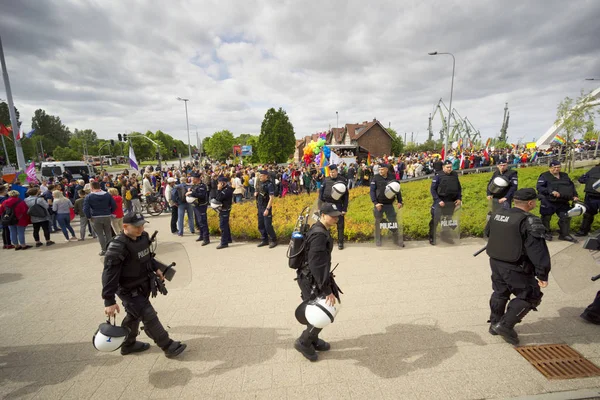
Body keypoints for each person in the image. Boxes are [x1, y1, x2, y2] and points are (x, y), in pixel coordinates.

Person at [102, 212, 187, 358]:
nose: (140, 229)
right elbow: (109, 274)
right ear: (125, 227)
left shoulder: (143, 237)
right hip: (128, 290)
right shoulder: (118, 246)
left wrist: (156, 268)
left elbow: (148, 257)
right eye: (136, 227)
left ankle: (128, 345)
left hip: (143, 285)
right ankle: (168, 346)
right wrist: (109, 301)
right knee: (149, 315)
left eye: (142, 225)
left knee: (133, 316)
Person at [485, 188, 551, 345]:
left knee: (500, 292)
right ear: (530, 203)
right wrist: (542, 273)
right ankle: (505, 326)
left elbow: (488, 233)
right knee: (531, 295)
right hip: (516, 265)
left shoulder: (498, 214)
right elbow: (537, 250)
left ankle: (495, 324)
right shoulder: (529, 220)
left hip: (496, 261)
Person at [294, 202, 341, 362]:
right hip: (311, 279)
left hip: (311, 277)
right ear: (322, 215)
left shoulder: (318, 229)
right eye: (332, 216)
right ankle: (304, 342)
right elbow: (316, 264)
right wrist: (327, 290)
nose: (335, 218)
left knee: (320, 310)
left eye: (337, 216)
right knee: (322, 311)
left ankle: (313, 339)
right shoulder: (319, 235)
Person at [536, 160, 579, 242]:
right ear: (550, 168)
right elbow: (540, 188)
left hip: (563, 201)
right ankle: (546, 233)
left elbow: (571, 187)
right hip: (549, 201)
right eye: (554, 167)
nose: (556, 169)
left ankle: (564, 234)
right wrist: (551, 192)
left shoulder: (565, 175)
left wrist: (575, 196)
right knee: (546, 217)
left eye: (558, 167)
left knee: (566, 217)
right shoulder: (544, 176)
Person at [369, 163, 404, 247]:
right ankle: (378, 240)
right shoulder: (375, 178)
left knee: (393, 222)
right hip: (379, 204)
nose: (380, 171)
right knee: (378, 222)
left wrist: (400, 201)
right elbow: (372, 191)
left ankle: (396, 240)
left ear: (386, 170)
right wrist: (375, 203)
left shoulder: (392, 177)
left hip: (389, 204)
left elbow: (397, 189)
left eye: (382, 169)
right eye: (379, 169)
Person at [428, 161, 462, 245]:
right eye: (448, 167)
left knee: (447, 220)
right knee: (435, 220)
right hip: (440, 201)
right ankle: (432, 238)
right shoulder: (438, 176)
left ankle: (445, 237)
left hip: (451, 202)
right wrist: (438, 200)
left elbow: (458, 188)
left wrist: (459, 198)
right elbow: (433, 190)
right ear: (443, 167)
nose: (450, 169)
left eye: (450, 167)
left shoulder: (454, 175)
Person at [319, 164, 349, 249]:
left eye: (333, 172)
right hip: (327, 204)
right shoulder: (326, 180)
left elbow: (346, 196)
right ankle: (326, 241)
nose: (331, 174)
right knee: (325, 224)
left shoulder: (342, 180)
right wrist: (321, 206)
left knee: (340, 224)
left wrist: (344, 208)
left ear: (336, 171)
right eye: (330, 172)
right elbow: (321, 193)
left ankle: (340, 242)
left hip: (338, 205)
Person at [84, 181, 117, 256]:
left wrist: (89, 216)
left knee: (100, 234)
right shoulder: (107, 195)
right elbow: (114, 205)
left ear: (92, 187)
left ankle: (104, 250)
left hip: (95, 216)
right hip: (106, 215)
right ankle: (110, 248)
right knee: (108, 233)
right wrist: (110, 212)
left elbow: (86, 208)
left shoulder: (89, 196)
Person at [575, 163, 600, 237]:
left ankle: (583, 231)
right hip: (590, 196)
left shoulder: (593, 169)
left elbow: (582, 179)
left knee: (588, 215)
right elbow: (581, 179)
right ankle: (583, 231)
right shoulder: (593, 170)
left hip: (591, 195)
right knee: (588, 215)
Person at [256, 169, 278, 248]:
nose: (260, 177)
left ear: (266, 176)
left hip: (266, 207)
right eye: (259, 175)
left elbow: (271, 198)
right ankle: (264, 240)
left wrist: (267, 209)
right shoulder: (261, 184)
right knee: (260, 225)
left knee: (267, 225)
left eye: (261, 176)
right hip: (260, 206)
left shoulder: (269, 185)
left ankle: (274, 240)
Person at [187, 172, 210, 245]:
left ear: (197, 179)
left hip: (201, 206)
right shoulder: (195, 186)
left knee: (203, 222)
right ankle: (201, 235)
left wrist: (191, 193)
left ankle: (206, 239)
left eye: (193, 178)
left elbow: (201, 195)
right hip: (196, 205)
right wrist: (190, 191)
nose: (191, 179)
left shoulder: (202, 186)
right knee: (198, 222)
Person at [215, 176, 233, 249]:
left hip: (225, 209)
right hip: (223, 209)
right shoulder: (225, 189)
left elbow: (218, 199)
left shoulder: (227, 190)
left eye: (219, 182)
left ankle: (224, 242)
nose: (218, 184)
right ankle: (228, 239)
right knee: (226, 225)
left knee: (223, 226)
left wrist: (219, 189)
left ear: (223, 183)